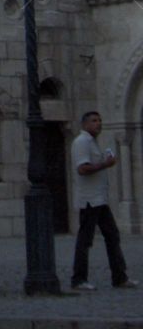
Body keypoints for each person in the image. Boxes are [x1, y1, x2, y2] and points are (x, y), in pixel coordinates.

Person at [70, 110, 138, 290]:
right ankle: (78, 279)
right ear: (85, 124)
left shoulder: (92, 142)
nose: (98, 123)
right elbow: (82, 169)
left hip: (99, 199)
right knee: (85, 240)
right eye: (94, 121)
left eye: (99, 120)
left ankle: (119, 277)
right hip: (89, 200)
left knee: (112, 235)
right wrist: (105, 165)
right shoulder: (82, 142)